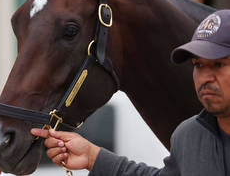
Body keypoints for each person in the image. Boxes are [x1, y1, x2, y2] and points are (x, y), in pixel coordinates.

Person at [31, 9, 230, 176]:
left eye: (218, 64)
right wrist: (92, 156)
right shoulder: (190, 136)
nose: (205, 78)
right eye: (198, 65)